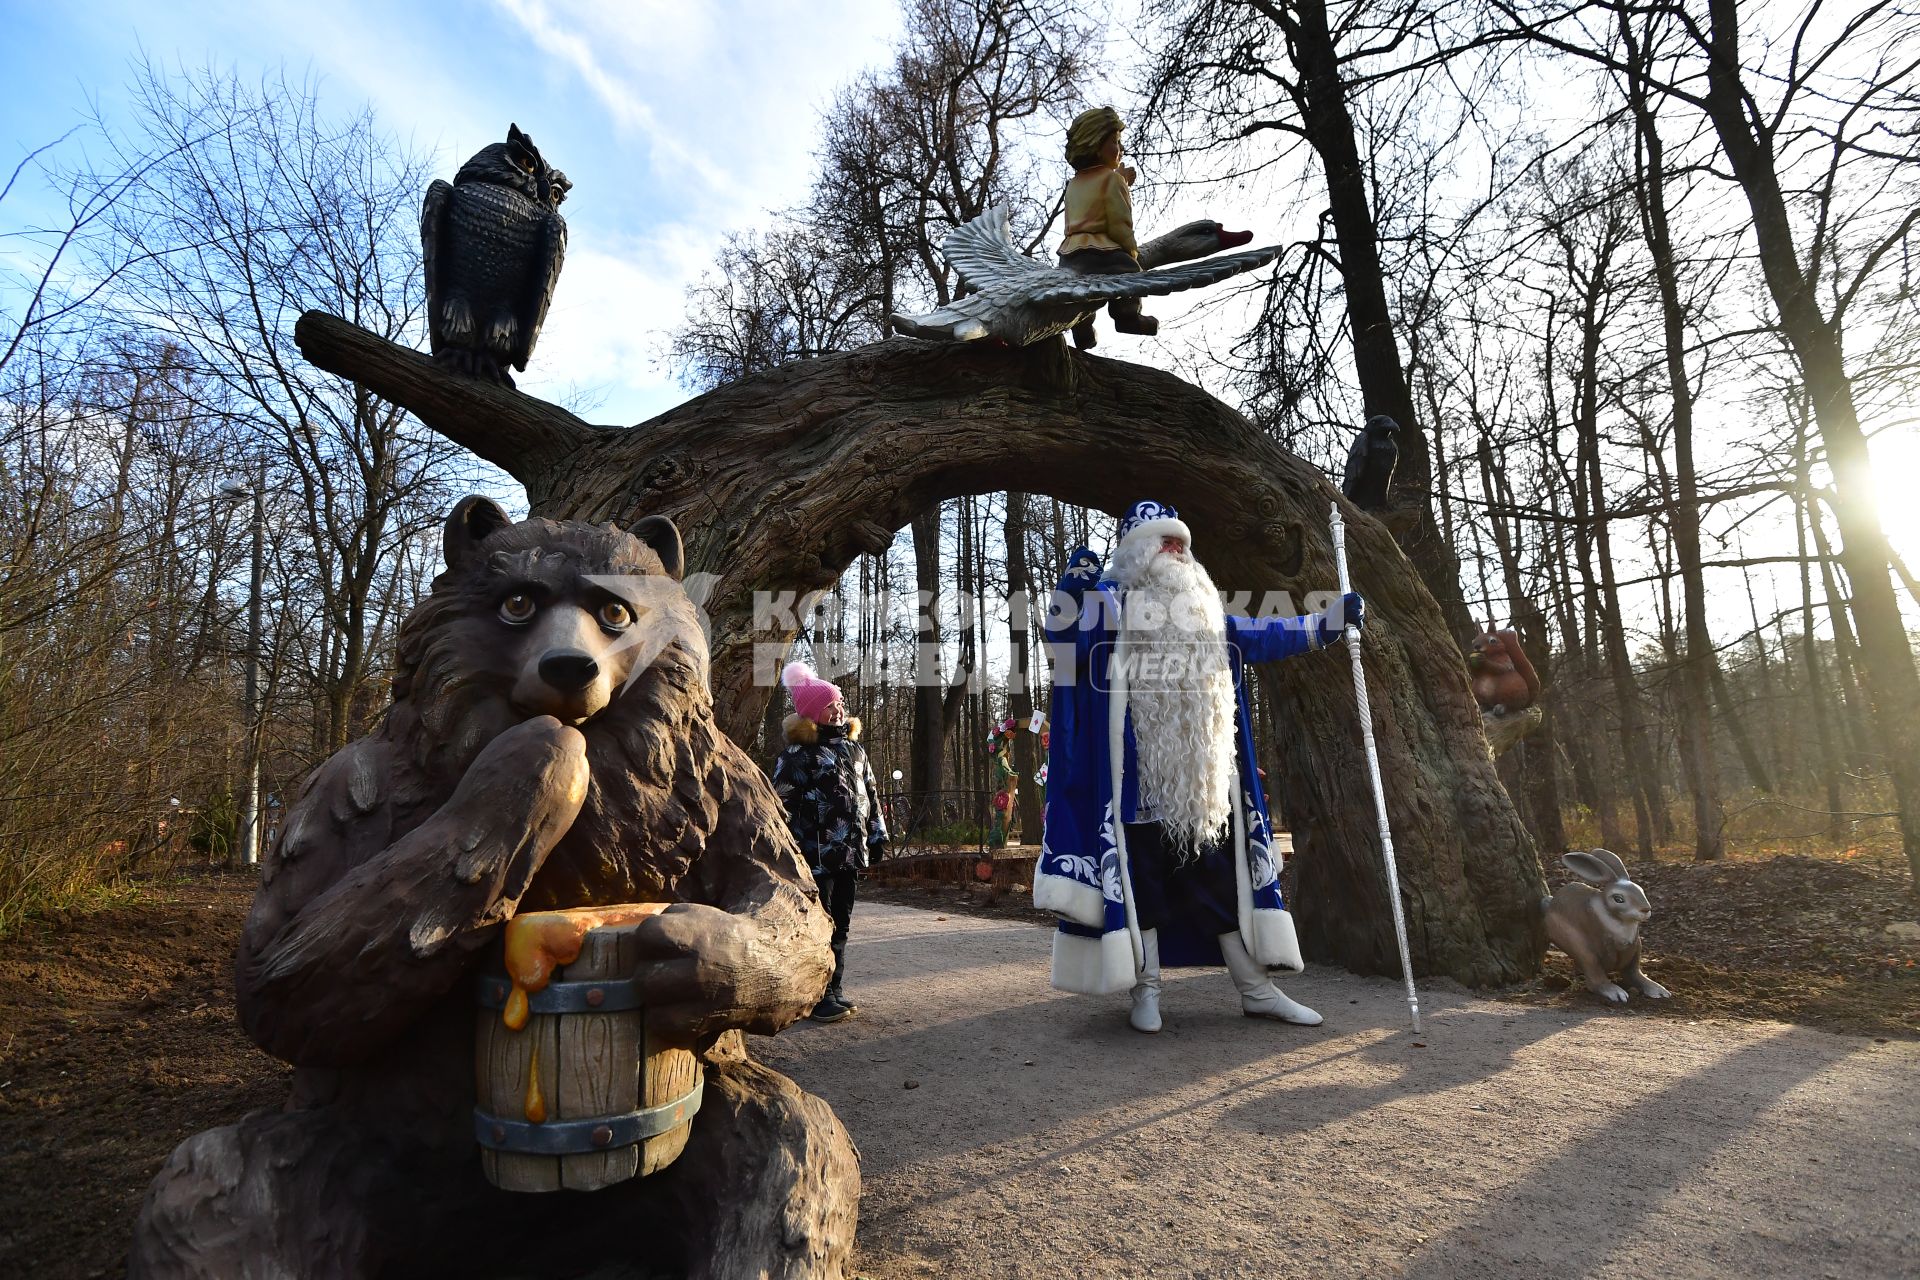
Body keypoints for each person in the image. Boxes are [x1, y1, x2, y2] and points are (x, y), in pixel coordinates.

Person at [1034, 500, 1365, 1033]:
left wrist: (1325, 624)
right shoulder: (1110, 609)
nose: (1176, 552)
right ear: (1135, 554)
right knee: (1144, 891)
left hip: (1203, 790)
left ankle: (1257, 991)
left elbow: (1261, 635)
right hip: (1136, 792)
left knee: (1220, 889)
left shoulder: (1207, 613)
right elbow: (1063, 643)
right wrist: (1072, 589)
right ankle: (1148, 991)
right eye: (1163, 543)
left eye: (1181, 544)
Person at [772, 660, 888, 1023]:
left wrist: (878, 834)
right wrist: (788, 850)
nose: (839, 709)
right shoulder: (796, 754)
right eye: (830, 705)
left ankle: (834, 988)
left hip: (850, 852)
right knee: (818, 925)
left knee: (843, 921)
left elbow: (870, 793)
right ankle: (816, 995)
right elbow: (781, 802)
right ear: (811, 714)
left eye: (839, 702)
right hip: (814, 855)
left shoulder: (855, 750)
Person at [1057, 105, 1156, 349]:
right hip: (1103, 251)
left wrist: (1121, 179)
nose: (1120, 149)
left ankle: (1082, 328)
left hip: (1070, 253)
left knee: (1080, 289)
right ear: (1096, 144)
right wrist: (1130, 251)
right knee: (1131, 276)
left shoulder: (1074, 183)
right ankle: (1127, 317)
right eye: (1114, 141)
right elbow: (1119, 222)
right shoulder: (1112, 179)